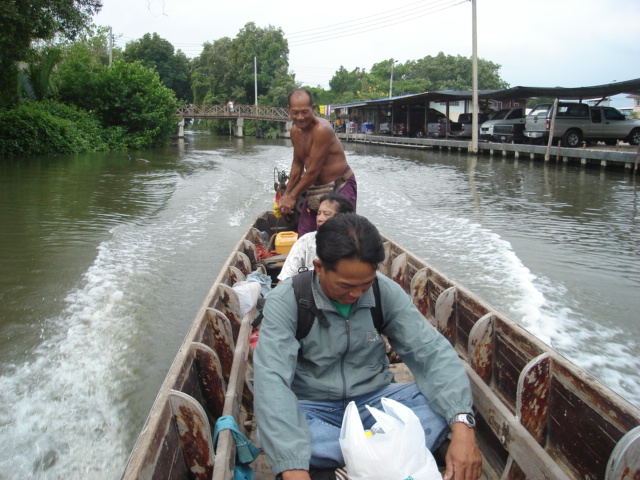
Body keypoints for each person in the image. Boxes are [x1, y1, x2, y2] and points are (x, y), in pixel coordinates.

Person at [254, 213, 483, 480]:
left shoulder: (384, 292)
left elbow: (431, 353)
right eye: (345, 286)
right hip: (314, 408)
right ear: (319, 267)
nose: (355, 295)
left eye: (365, 284)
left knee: (447, 405)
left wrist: (463, 427)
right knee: (272, 428)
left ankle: (348, 465)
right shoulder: (288, 300)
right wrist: (293, 467)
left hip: (375, 400)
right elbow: (272, 378)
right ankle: (386, 453)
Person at [278, 89, 357, 237]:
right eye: (295, 112)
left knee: (340, 236)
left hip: (340, 185)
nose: (300, 117)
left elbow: (313, 171)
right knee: (304, 234)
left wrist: (293, 197)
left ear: (313, 109)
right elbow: (297, 165)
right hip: (315, 187)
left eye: (305, 112)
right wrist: (286, 195)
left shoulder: (322, 130)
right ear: (288, 110)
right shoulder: (295, 131)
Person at [277, 192, 354, 282]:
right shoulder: (306, 241)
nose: (319, 218)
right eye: (319, 213)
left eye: (326, 214)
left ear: (342, 218)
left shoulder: (353, 243)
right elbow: (285, 279)